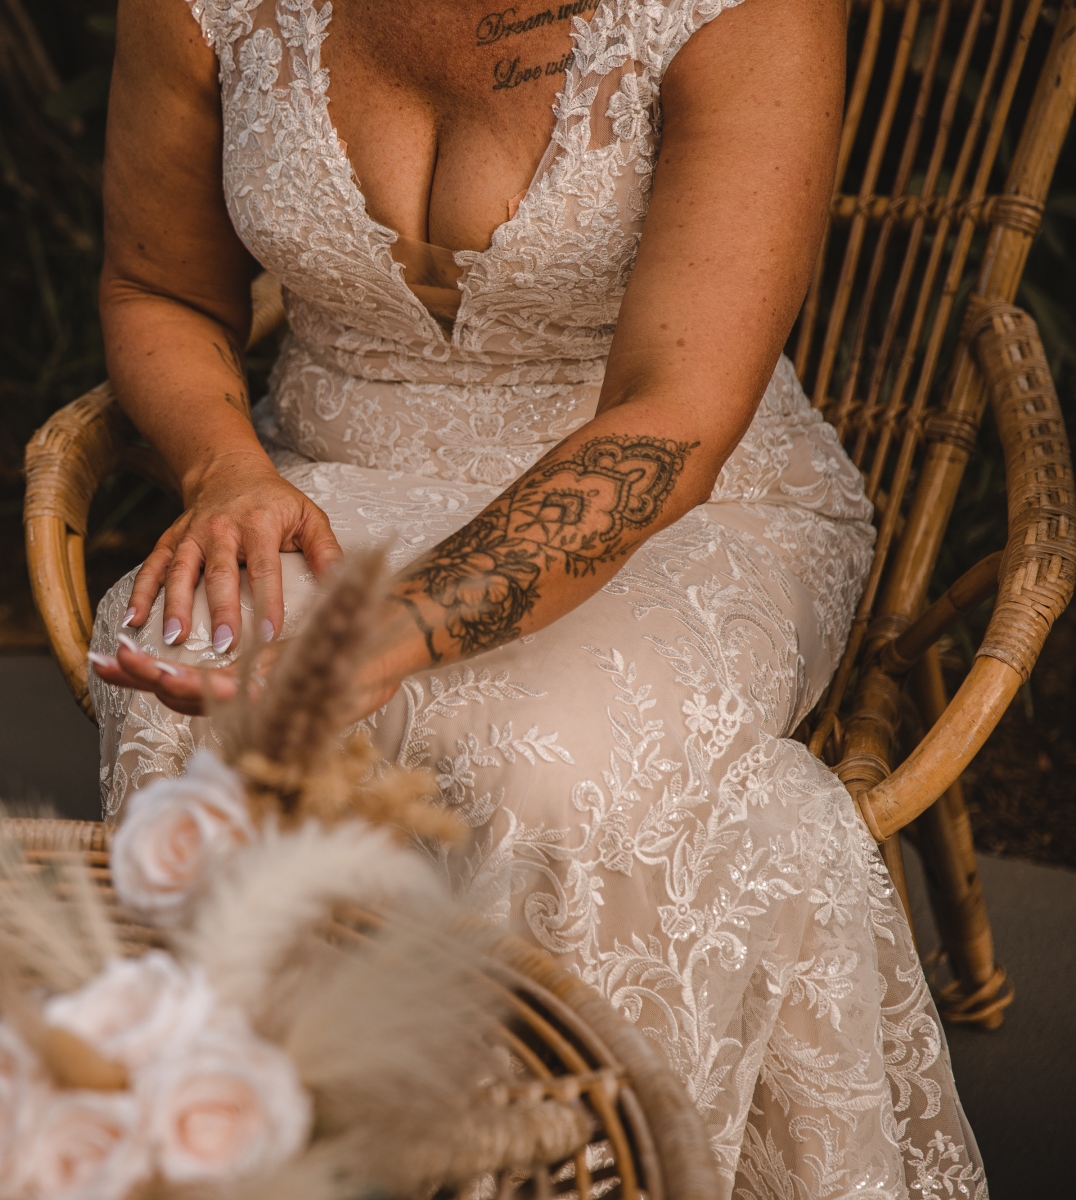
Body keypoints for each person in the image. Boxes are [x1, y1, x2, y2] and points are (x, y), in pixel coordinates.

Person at [84, 0, 986, 1192]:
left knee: (559, 767)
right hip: (327, 476)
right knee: (184, 678)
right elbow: (160, 286)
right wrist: (225, 471)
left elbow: (673, 417)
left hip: (687, 499)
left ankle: (559, 1168)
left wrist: (383, 635)